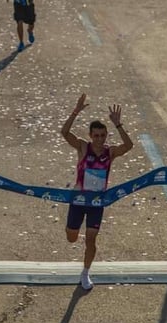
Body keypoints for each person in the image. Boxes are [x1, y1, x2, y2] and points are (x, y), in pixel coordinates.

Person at [60, 93, 133, 290]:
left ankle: (85, 273)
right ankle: (75, 231)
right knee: (71, 238)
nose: (100, 139)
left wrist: (118, 125)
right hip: (78, 200)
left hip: (97, 203)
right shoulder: (83, 147)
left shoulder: (110, 152)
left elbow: (129, 146)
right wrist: (75, 111)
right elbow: (65, 133)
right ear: (91, 136)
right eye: (96, 135)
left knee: (91, 238)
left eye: (103, 135)